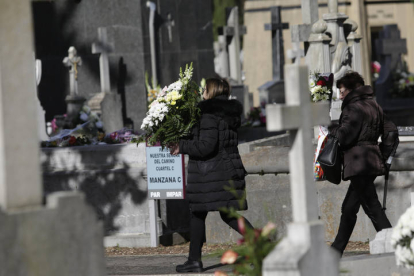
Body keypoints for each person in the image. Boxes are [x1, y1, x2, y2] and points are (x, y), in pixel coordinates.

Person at [169, 78, 253, 273]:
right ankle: (194, 260)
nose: (202, 91)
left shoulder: (208, 114)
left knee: (207, 213)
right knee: (214, 213)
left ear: (211, 91)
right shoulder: (228, 114)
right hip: (226, 170)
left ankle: (195, 260)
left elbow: (206, 146)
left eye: (204, 89)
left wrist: (181, 146)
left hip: (212, 172)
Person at [329, 71, 399, 256]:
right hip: (370, 161)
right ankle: (336, 251)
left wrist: (331, 128)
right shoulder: (374, 105)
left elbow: (345, 137)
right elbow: (391, 133)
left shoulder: (353, 108)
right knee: (349, 208)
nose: (340, 95)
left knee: (372, 206)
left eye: (342, 90)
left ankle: (398, 246)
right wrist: (382, 157)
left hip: (358, 162)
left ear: (351, 89)